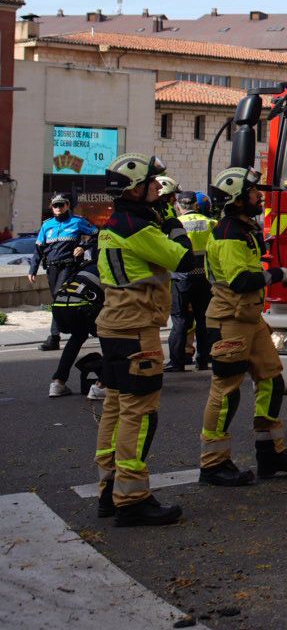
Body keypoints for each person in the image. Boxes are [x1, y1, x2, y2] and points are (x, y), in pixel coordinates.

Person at [94, 152, 197, 526]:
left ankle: (109, 489)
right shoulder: (138, 228)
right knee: (140, 412)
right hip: (137, 327)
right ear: (135, 190)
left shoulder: (114, 224)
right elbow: (184, 259)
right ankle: (132, 498)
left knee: (116, 408)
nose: (158, 188)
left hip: (114, 324)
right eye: (152, 184)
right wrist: (173, 222)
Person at [198, 166, 287, 487]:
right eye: (252, 192)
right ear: (236, 199)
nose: (258, 196)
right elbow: (239, 280)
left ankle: (270, 453)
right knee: (226, 392)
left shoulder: (242, 227)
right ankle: (213, 464)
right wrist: (276, 275)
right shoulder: (229, 233)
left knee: (272, 380)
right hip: (229, 320)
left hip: (249, 318)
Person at [30, 195, 99, 351]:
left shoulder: (78, 221)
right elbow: (38, 249)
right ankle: (85, 327)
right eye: (55, 205)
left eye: (61, 205)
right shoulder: (47, 225)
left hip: (69, 266)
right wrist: (32, 269)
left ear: (68, 205)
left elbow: (96, 234)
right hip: (52, 268)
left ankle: (54, 337)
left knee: (59, 299)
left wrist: (83, 246)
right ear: (51, 207)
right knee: (60, 299)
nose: (58, 208)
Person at [166, 191, 215, 372]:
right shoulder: (210, 223)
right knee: (202, 319)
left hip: (180, 278)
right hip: (203, 277)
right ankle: (202, 359)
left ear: (178, 206)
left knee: (179, 319)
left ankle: (177, 361)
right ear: (196, 205)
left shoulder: (176, 225)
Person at [47, 263, 104, 398]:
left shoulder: (85, 267)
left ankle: (58, 383)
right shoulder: (107, 265)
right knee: (108, 336)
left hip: (60, 306)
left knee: (78, 336)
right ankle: (102, 385)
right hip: (81, 305)